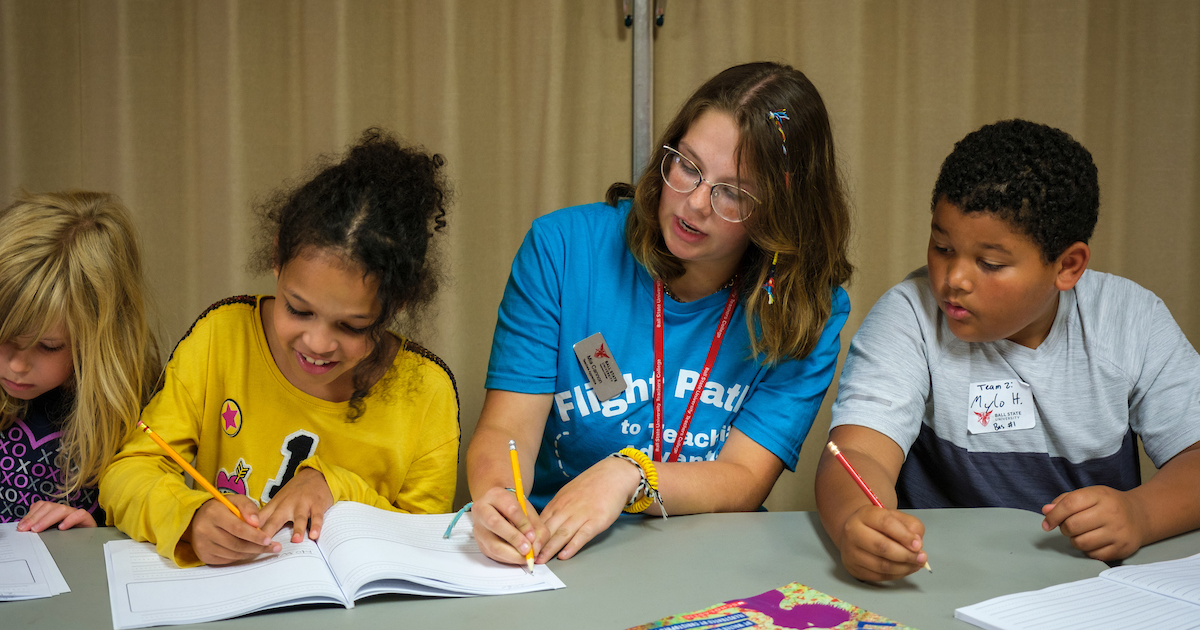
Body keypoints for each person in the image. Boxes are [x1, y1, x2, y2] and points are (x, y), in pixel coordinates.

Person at [468, 61, 853, 567]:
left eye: (733, 192)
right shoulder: (563, 249)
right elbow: (505, 430)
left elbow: (742, 478)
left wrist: (631, 475)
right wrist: (498, 499)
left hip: (706, 563)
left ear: (783, 212)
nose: (693, 204)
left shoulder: (807, 308)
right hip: (556, 552)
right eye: (688, 166)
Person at [816, 119, 1200, 582]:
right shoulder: (910, 317)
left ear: (1068, 266)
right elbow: (857, 454)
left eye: (990, 263)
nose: (953, 279)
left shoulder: (1130, 319)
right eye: (942, 246)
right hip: (945, 582)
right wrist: (856, 521)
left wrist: (1141, 514)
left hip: (1091, 588)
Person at [100, 128, 460, 566]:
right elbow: (125, 475)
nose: (317, 343)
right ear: (277, 258)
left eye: (351, 325)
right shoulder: (222, 338)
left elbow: (427, 540)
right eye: (298, 309)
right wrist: (190, 516)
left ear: (396, 304)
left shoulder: (427, 391)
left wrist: (336, 487)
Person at [0, 192, 161, 531]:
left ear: (97, 342)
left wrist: (92, 535)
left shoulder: (138, 407)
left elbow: (142, 523)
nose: (16, 365)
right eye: (3, 339)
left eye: (47, 346)